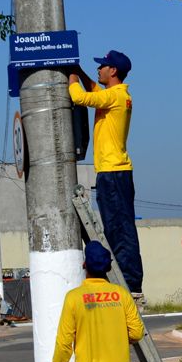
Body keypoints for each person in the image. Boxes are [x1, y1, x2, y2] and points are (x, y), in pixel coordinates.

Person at [68, 50, 145, 305]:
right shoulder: (117, 95)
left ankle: (131, 284)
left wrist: (70, 77)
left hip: (113, 173)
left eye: (102, 66)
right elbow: (92, 87)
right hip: (114, 172)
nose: (99, 70)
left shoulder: (114, 96)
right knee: (117, 227)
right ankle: (128, 280)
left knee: (119, 229)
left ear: (113, 71)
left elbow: (79, 97)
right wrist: (79, 72)